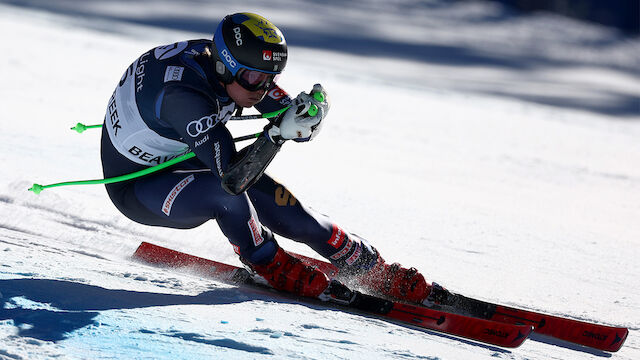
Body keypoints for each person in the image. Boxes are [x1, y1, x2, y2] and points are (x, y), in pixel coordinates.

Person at [101, 12, 433, 303]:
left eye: (270, 77)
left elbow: (287, 114)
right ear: (226, 67)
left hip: (183, 158)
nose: (261, 89)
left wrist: (306, 115)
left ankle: (371, 268)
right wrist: (276, 135)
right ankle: (265, 260)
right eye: (254, 78)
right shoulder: (182, 96)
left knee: (288, 210)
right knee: (227, 195)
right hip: (139, 186)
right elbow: (232, 179)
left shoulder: (233, 69)